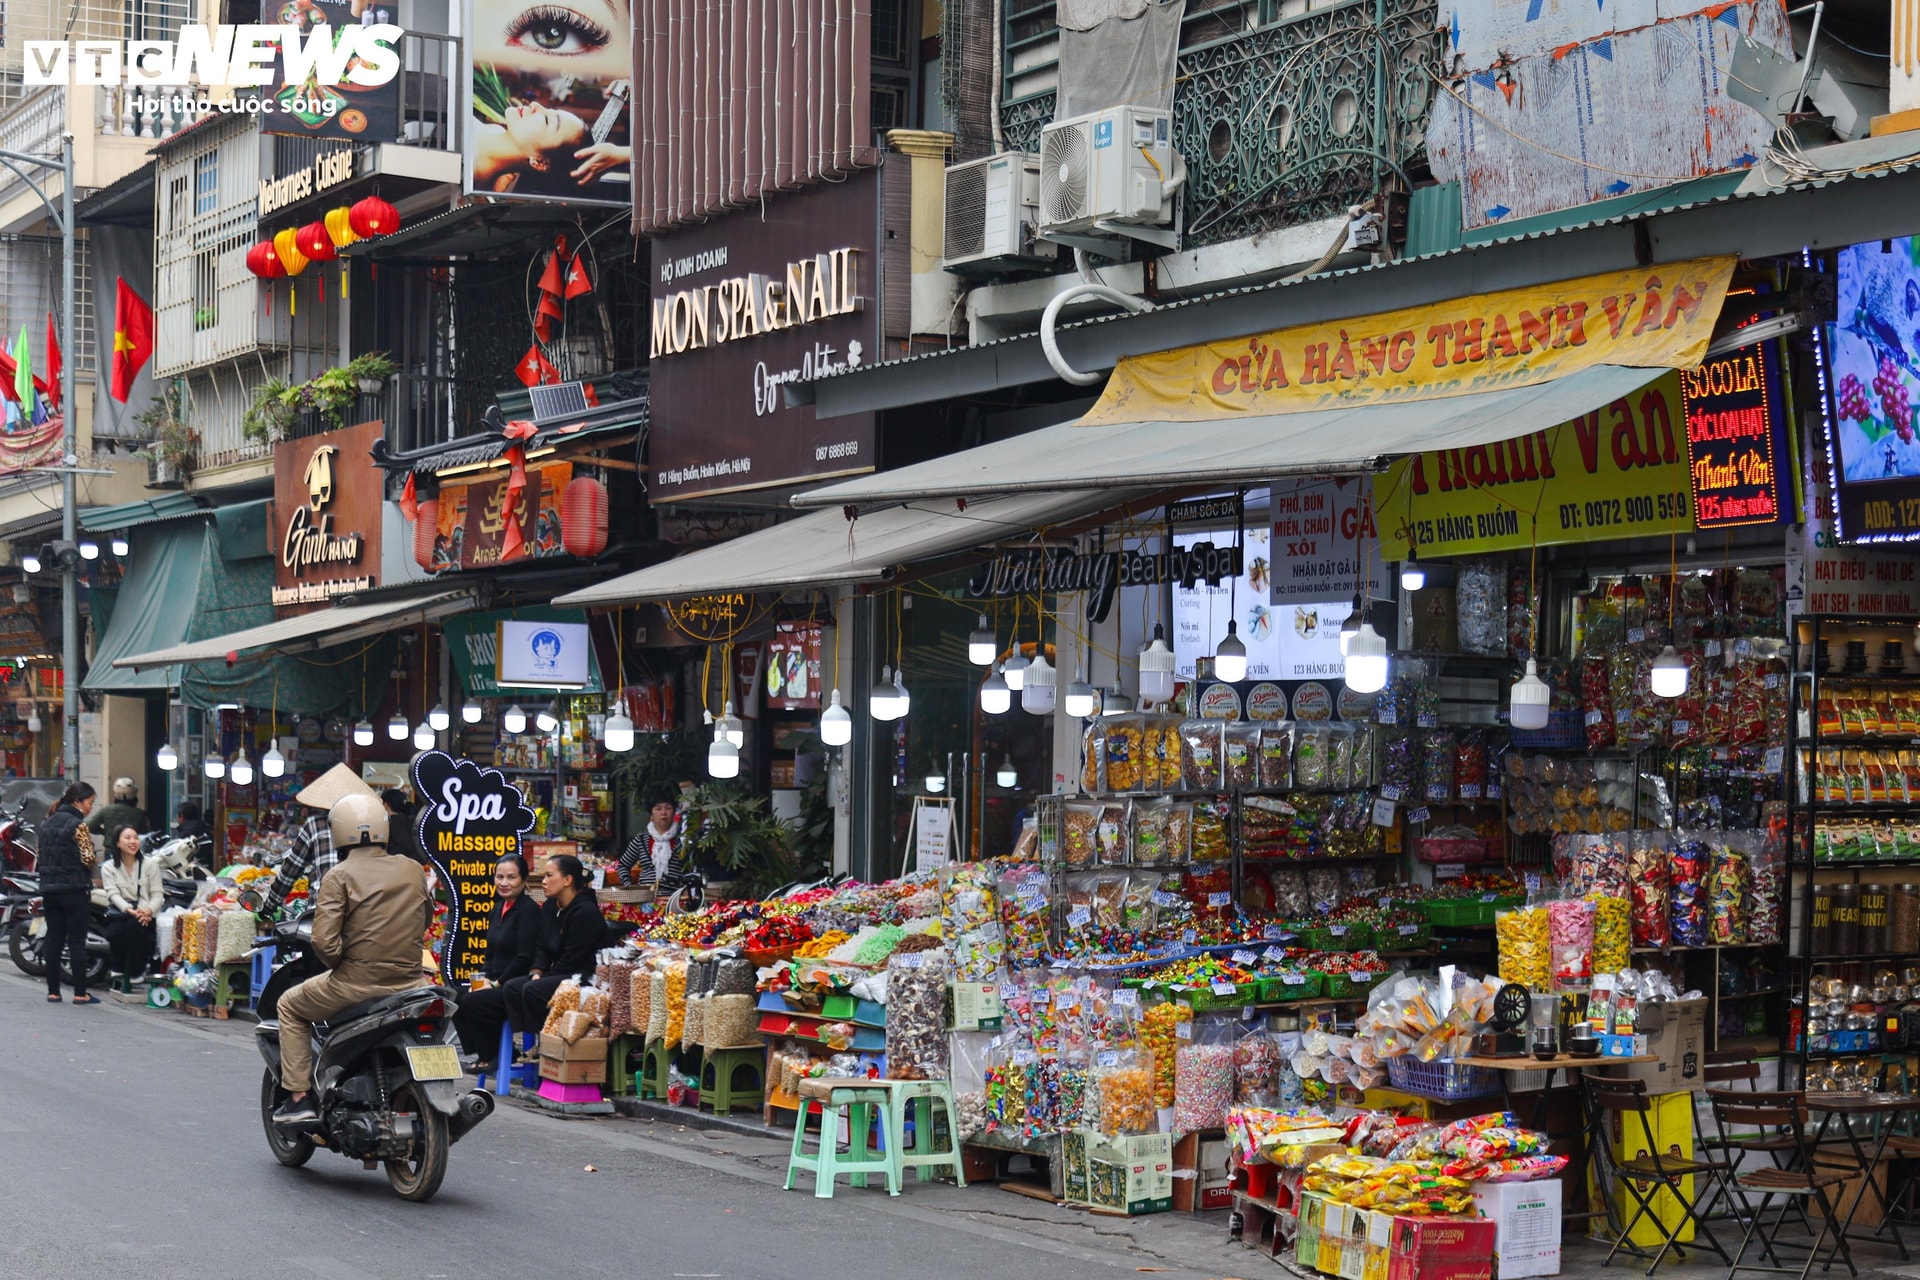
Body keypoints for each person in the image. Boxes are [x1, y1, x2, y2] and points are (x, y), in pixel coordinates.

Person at [271, 793, 432, 1125]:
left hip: (357, 985)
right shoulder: (413, 869)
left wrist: (344, 966)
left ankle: (299, 1097)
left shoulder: (339, 875)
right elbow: (425, 919)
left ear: (339, 832)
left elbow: (324, 942)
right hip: (412, 984)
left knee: (288, 1005)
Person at [455, 854, 606, 1062]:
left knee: (524, 989)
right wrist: (537, 971)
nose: (543, 881)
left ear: (567, 880)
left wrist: (509, 981)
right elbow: (541, 947)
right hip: (555, 972)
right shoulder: (551, 906)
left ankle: (539, 1045)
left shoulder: (585, 912)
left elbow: (570, 959)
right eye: (499, 877)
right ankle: (493, 1054)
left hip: (581, 977)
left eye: (549, 875)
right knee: (465, 995)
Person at [450, 854, 540, 1067]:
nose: (504, 883)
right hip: (496, 981)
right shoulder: (498, 908)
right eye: (499, 877)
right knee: (455, 997)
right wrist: (481, 981)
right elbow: (490, 954)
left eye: (511, 877)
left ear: (524, 880)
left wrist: (496, 983)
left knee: (476, 1002)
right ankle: (483, 1053)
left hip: (516, 984)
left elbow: (525, 957)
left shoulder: (528, 910)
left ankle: (497, 1056)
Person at [262, 763, 374, 917]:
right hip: (362, 914)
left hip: (321, 914)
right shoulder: (370, 826)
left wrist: (270, 904)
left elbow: (290, 871)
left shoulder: (315, 825)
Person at [37, 781, 98, 1005]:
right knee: (76, 941)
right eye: (90, 803)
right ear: (77, 802)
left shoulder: (46, 823)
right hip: (74, 890)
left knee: (54, 939)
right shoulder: (78, 825)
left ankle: (53, 991)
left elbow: (40, 856)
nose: (91, 807)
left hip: (50, 889)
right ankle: (80, 993)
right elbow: (88, 858)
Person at [101, 822, 162, 992]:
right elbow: (112, 894)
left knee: (139, 928)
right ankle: (118, 968)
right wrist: (129, 910)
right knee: (118, 931)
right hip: (121, 912)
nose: (133, 841)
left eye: (135, 838)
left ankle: (137, 970)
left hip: (145, 912)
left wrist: (148, 911)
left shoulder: (150, 864)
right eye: (127, 838)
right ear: (117, 843)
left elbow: (158, 894)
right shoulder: (108, 867)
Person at [614, 793, 697, 894]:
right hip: (645, 898)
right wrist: (628, 886)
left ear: (674, 812)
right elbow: (622, 865)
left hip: (676, 899)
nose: (663, 813)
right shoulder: (641, 839)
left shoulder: (683, 839)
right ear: (651, 815)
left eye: (668, 808)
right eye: (658, 809)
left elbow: (693, 868)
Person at [381, 788, 424, 864]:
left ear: (385, 805)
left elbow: (406, 846)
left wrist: (388, 859)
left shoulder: (394, 822)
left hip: (401, 866)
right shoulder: (408, 820)